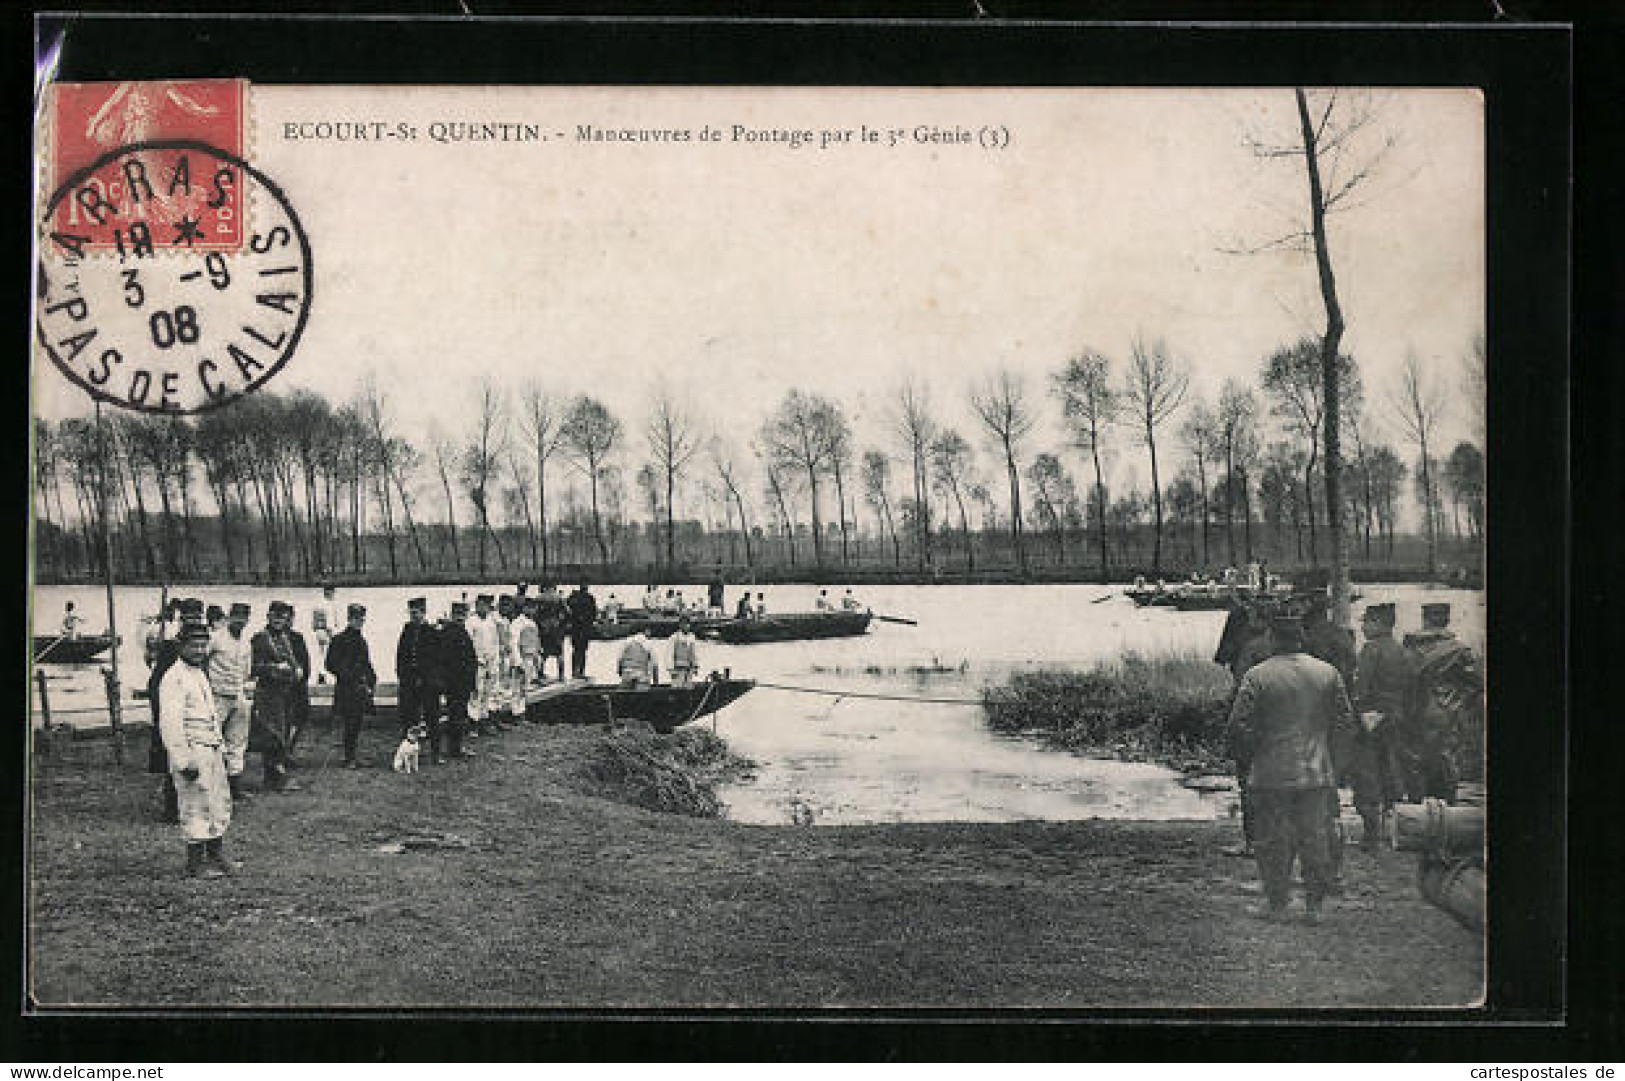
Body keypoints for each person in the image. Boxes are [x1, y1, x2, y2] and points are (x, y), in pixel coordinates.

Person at [1226, 614, 1353, 923]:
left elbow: (1238, 725)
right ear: (1301, 638)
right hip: (1316, 770)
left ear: (1272, 638)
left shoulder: (1257, 676)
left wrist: (1249, 755)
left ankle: (1277, 903)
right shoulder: (1327, 673)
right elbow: (1345, 722)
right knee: (1315, 838)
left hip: (1270, 771)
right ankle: (1314, 906)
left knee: (1272, 839)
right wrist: (1334, 760)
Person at [160, 622, 238, 878]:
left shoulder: (200, 673)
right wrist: (184, 760)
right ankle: (194, 863)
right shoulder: (174, 678)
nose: (199, 651)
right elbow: (171, 723)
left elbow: (211, 714)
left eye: (203, 645)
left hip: (211, 748)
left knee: (217, 801)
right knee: (194, 803)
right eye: (193, 646)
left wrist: (221, 748)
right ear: (181, 646)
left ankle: (216, 854)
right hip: (192, 749)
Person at [1402, 602, 1483, 800]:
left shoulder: (1409, 647)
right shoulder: (1458, 650)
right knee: (1445, 755)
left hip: (1413, 710)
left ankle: (1417, 805)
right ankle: (1446, 805)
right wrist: (1457, 700)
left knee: (1415, 757)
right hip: (1444, 711)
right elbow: (1476, 683)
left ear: (1425, 619)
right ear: (1446, 620)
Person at [1350, 602, 1414, 850]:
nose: (1364, 626)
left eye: (1367, 621)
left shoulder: (1371, 650)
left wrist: (1359, 714)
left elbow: (1361, 689)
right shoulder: (1402, 651)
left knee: (1366, 775)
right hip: (1397, 719)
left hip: (1371, 721)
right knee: (1392, 772)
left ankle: (1371, 835)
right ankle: (1394, 830)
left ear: (1379, 624)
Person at [147, 597, 204, 823]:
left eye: (197, 617)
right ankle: (172, 808)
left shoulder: (202, 644)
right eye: (189, 617)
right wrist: (161, 712)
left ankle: (193, 804)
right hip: (174, 705)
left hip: (196, 706)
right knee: (175, 757)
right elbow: (157, 682)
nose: (194, 621)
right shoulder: (171, 647)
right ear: (181, 620)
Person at [250, 601, 307, 793]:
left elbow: (291, 660)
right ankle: (275, 778)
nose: (278, 621)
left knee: (281, 735)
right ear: (268, 617)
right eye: (274, 617)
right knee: (272, 735)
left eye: (281, 618)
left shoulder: (284, 637)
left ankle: (274, 777)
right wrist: (274, 668)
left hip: (285, 693)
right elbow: (252, 667)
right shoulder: (259, 638)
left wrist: (297, 668)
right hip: (268, 693)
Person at [206, 601, 254, 803]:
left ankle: (235, 788)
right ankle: (210, 788)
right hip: (217, 696)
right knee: (212, 740)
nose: (240, 621)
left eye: (243, 618)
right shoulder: (216, 638)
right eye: (236, 617)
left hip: (238, 695)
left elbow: (246, 671)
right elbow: (201, 661)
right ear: (228, 617)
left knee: (237, 741)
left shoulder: (245, 643)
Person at [326, 603, 377, 769]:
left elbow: (366, 664)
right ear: (349, 619)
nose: (359, 622)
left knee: (356, 724)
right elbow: (330, 664)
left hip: (360, 690)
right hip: (346, 689)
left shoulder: (362, 641)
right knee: (350, 723)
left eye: (361, 619)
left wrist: (371, 679)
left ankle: (352, 756)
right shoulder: (338, 639)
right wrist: (348, 675)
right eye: (356, 619)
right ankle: (349, 758)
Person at [434, 602, 478, 761]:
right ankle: (455, 748)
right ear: (453, 615)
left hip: (462, 682)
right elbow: (441, 660)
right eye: (458, 615)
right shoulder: (448, 633)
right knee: (456, 715)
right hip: (455, 682)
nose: (461, 618)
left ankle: (456, 746)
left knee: (458, 715)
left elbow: (470, 660)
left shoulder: (460, 632)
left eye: (462, 615)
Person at [395, 597, 438, 757]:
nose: (414, 617)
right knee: (408, 716)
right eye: (412, 614)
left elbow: (435, 659)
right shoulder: (407, 630)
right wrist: (402, 676)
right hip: (409, 681)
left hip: (427, 682)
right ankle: (408, 751)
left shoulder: (431, 632)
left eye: (417, 613)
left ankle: (435, 752)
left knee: (432, 716)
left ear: (423, 613)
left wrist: (427, 677)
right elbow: (400, 656)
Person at [466, 594, 502, 733]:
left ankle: (484, 720)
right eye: (480, 604)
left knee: (489, 691)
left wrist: (495, 659)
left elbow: (495, 642)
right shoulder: (471, 622)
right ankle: (473, 723)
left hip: (490, 661)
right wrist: (476, 659)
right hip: (477, 662)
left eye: (486, 605)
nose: (483, 608)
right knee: (476, 692)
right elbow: (469, 644)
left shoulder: (491, 621)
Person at [567, 579, 599, 680]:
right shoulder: (589, 598)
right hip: (585, 628)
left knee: (576, 650)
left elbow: (567, 611)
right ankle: (580, 671)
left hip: (575, 628)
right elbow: (594, 613)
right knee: (582, 650)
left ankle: (575, 671)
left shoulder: (573, 598)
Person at [536, 582, 569, 682]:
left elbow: (535, 613)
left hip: (543, 628)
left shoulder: (539, 598)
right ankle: (561, 675)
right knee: (559, 653)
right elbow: (567, 612)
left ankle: (540, 674)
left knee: (542, 653)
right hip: (556, 628)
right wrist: (560, 621)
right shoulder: (559, 598)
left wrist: (540, 623)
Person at [311, 583, 339, 685]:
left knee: (321, 654)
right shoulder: (328, 604)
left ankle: (322, 674)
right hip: (325, 631)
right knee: (327, 653)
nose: (333, 594)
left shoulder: (319, 604)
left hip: (320, 631)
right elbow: (331, 622)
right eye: (332, 592)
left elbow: (314, 623)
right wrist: (331, 634)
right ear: (329, 592)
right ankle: (324, 674)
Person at [513, 597, 541, 687]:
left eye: (534, 608)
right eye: (530, 607)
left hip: (532, 657)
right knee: (521, 683)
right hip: (523, 657)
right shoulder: (517, 622)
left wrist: (538, 654)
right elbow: (514, 642)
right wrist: (517, 661)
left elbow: (536, 640)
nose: (533, 610)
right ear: (524, 608)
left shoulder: (533, 623)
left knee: (530, 682)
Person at [669, 617, 699, 688]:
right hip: (678, 669)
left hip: (688, 669)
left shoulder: (692, 637)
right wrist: (671, 670)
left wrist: (695, 666)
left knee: (689, 688)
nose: (686, 626)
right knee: (677, 688)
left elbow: (694, 653)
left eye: (688, 624)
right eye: (684, 624)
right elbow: (669, 655)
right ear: (680, 625)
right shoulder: (674, 637)